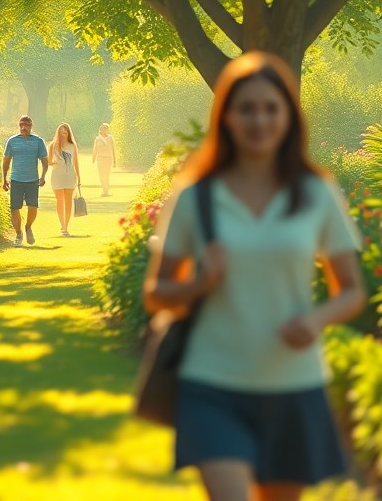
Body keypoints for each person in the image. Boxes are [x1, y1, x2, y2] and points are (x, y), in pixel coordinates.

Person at [142, 52, 366, 501]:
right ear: (225, 116)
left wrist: (317, 319)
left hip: (293, 384)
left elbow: (353, 291)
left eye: (271, 108)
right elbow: (156, 294)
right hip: (211, 383)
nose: (259, 120)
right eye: (246, 108)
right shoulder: (196, 198)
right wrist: (199, 284)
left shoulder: (315, 193)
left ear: (289, 116)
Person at [2, 115, 48, 247]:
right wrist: (4, 178)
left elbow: (45, 161)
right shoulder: (12, 141)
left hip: (32, 180)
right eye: (21, 125)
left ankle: (28, 227)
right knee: (14, 208)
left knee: (33, 206)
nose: (23, 127)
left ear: (31, 126)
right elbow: (6, 160)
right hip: (16, 179)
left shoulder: (38, 141)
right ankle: (18, 233)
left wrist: (43, 176)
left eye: (26, 125)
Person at [47, 122, 82, 236]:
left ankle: (66, 226)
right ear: (58, 133)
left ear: (68, 132)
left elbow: (76, 162)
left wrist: (79, 178)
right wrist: (56, 162)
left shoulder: (72, 146)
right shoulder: (53, 145)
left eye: (65, 131)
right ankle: (62, 223)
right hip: (57, 175)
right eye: (61, 131)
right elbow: (48, 161)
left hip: (70, 176)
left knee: (68, 202)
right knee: (59, 201)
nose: (64, 133)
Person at [93, 123, 117, 197]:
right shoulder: (98, 139)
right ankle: (105, 191)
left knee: (107, 175)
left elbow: (113, 149)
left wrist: (115, 161)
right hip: (100, 159)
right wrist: (93, 159)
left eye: (105, 128)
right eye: (102, 128)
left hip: (108, 159)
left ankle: (106, 190)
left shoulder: (110, 138)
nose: (103, 130)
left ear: (107, 129)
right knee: (101, 175)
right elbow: (95, 149)